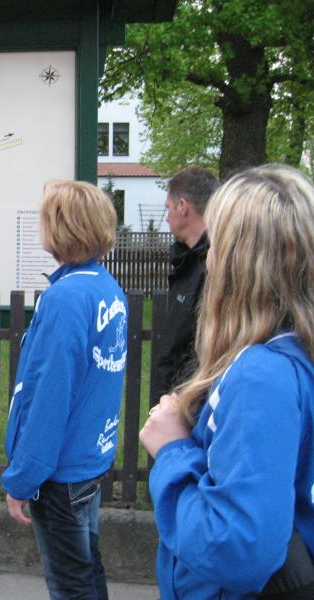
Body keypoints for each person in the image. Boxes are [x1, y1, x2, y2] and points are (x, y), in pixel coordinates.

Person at [140, 165, 314, 599]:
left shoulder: (261, 376)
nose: (208, 258)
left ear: (238, 261)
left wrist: (172, 450)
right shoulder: (295, 354)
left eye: (215, 243)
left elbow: (238, 549)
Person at [2, 180, 128, 599]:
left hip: (60, 472)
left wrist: (23, 478)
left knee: (70, 585)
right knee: (87, 570)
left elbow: (49, 396)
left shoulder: (66, 298)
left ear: (60, 229)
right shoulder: (105, 287)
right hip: (89, 458)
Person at [153, 166, 218, 396]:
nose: (166, 217)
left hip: (190, 400)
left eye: (168, 208)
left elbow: (205, 349)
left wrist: (179, 400)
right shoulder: (186, 262)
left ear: (182, 206)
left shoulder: (213, 268)